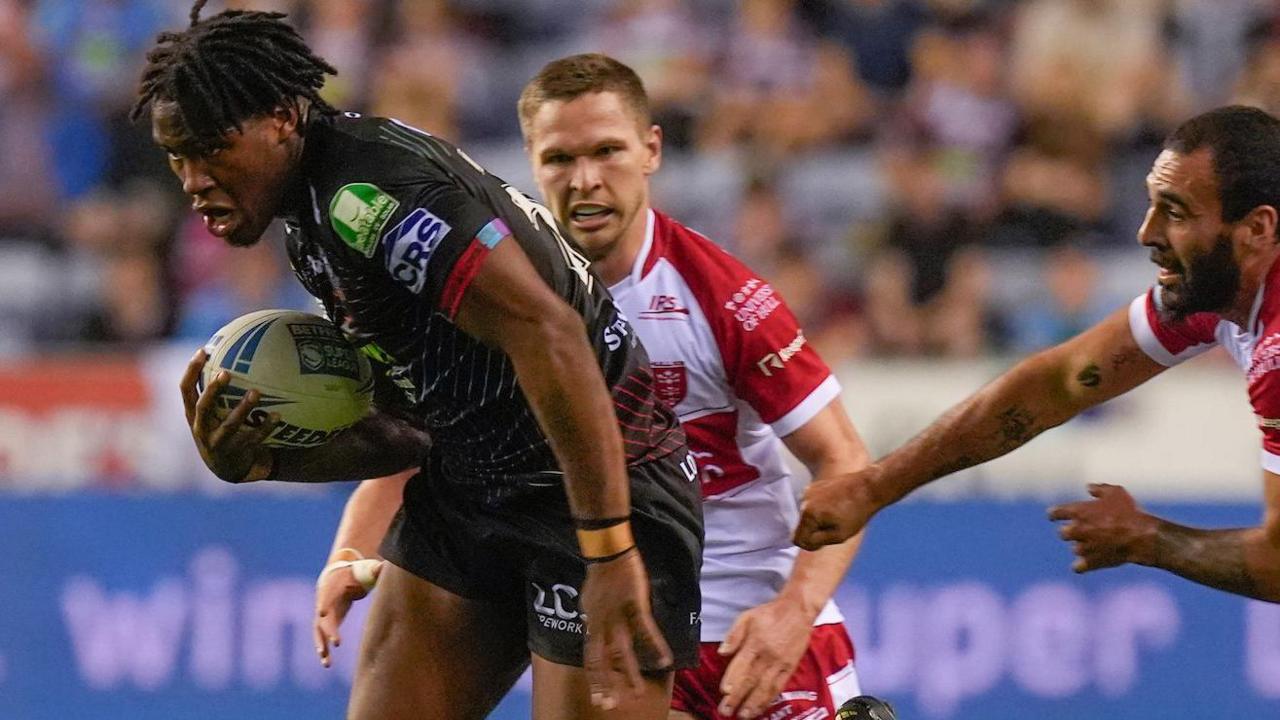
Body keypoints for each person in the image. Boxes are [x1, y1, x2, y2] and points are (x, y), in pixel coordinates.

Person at [135, 5, 703, 719]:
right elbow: (415, 428)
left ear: (282, 116)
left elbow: (552, 336)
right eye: (175, 157)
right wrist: (266, 461)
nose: (191, 179)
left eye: (210, 148)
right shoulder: (313, 222)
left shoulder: (369, 197)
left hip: (598, 482)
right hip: (471, 485)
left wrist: (612, 550)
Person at [315, 54, 872, 720]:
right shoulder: (492, 292)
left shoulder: (723, 298)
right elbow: (432, 442)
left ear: (651, 151)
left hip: (748, 641)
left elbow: (843, 462)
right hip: (610, 627)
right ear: (530, 162)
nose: (585, 181)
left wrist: (794, 611)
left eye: (607, 152)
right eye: (558, 159)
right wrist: (350, 550)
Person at [795, 105, 1280, 603]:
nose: (1146, 233)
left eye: (1175, 212)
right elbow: (1059, 382)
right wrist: (874, 486)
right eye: (1152, 205)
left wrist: (1148, 539)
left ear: (1258, 229)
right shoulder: (1214, 291)